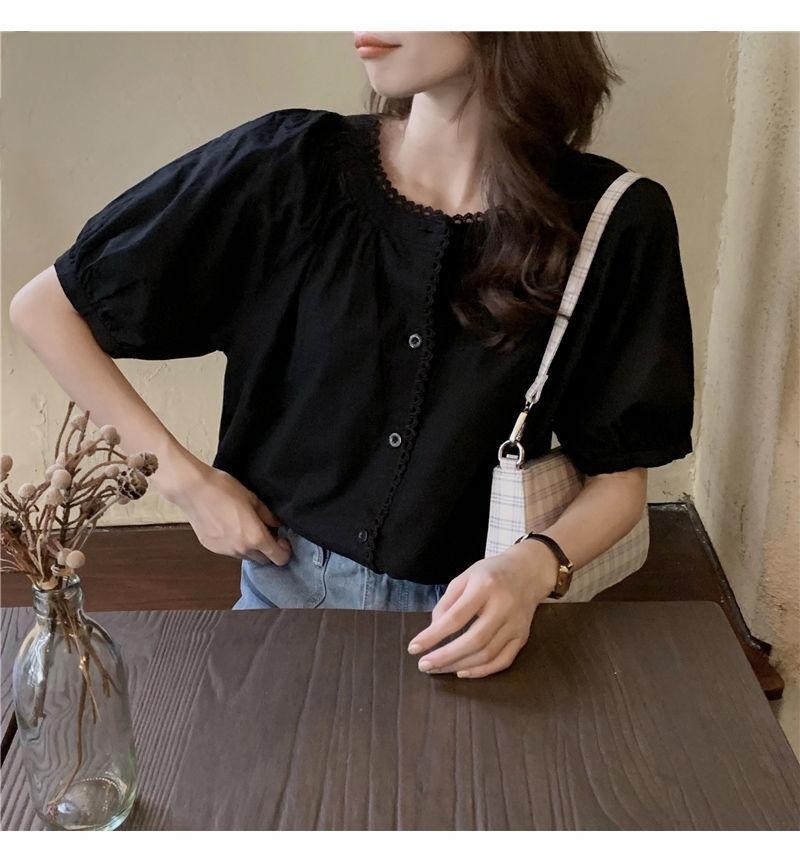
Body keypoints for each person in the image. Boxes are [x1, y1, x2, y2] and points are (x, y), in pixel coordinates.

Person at [9, 32, 694, 680]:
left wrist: (533, 569)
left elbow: (619, 480)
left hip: (484, 626)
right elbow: (45, 309)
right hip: (283, 600)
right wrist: (188, 485)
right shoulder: (290, 168)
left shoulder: (610, 220)